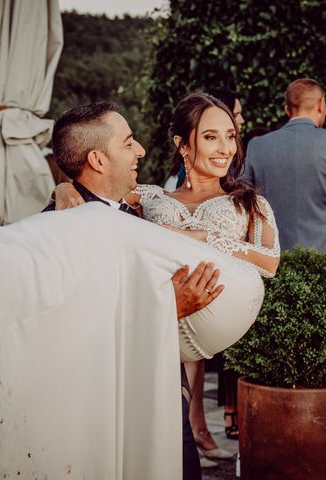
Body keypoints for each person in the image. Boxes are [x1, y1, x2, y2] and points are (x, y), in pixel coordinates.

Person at [0, 102, 272, 480]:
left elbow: (267, 259)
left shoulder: (137, 213)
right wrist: (163, 307)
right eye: (128, 141)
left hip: (161, 380)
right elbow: (52, 314)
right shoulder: (70, 219)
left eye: (230, 137)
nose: (140, 149)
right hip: (97, 385)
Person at [53, 93, 280, 467]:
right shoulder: (152, 198)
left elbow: (269, 262)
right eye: (210, 137)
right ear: (182, 144)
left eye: (229, 136)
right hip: (150, 329)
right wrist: (62, 187)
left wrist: (208, 240)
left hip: (213, 322)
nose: (225, 148)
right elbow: (93, 181)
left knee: (171, 434)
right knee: (154, 438)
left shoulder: (248, 203)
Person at [244, 78, 326, 263]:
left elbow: (241, 200)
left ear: (287, 110)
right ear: (321, 104)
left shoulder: (257, 147)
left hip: (277, 262)